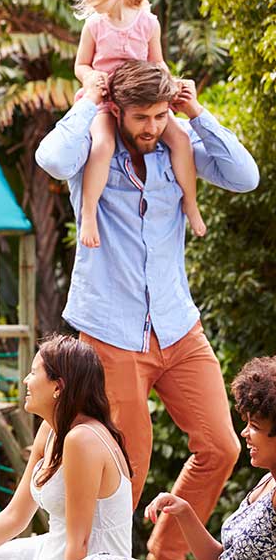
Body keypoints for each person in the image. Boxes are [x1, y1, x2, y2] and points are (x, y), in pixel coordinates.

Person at [36, 59, 259, 560]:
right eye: (142, 118)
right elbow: (50, 158)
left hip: (178, 326)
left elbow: (245, 177)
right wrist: (90, 100)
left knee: (221, 446)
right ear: (118, 110)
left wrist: (196, 113)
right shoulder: (94, 152)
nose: (153, 127)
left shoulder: (172, 151)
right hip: (111, 334)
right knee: (124, 469)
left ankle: (166, 552)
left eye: (161, 116)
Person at [0, 335, 132, 560]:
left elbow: (80, 546)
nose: (26, 380)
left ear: (58, 386)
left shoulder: (82, 440)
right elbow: (15, 517)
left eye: (34, 372)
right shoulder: (50, 430)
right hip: (53, 548)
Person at [72, 0, 203, 247]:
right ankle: (89, 213)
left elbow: (158, 63)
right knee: (103, 145)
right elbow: (81, 64)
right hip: (107, 101)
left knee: (180, 139)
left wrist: (170, 83)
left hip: (143, 103)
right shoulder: (94, 26)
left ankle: (190, 202)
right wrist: (89, 78)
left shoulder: (148, 23)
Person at [144, 356, 276, 559]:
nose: (245, 433)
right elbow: (220, 556)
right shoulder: (268, 481)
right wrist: (184, 511)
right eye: (247, 423)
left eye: (255, 427)